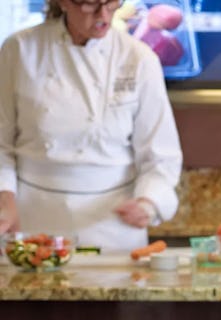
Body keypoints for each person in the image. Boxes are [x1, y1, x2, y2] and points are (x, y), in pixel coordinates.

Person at [0, 0, 182, 251]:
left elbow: (161, 155)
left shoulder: (138, 59)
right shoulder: (19, 50)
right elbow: (1, 142)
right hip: (35, 219)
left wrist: (148, 203)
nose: (103, 16)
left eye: (111, 4)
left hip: (113, 225)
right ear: (63, 3)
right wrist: (4, 199)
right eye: (90, 5)